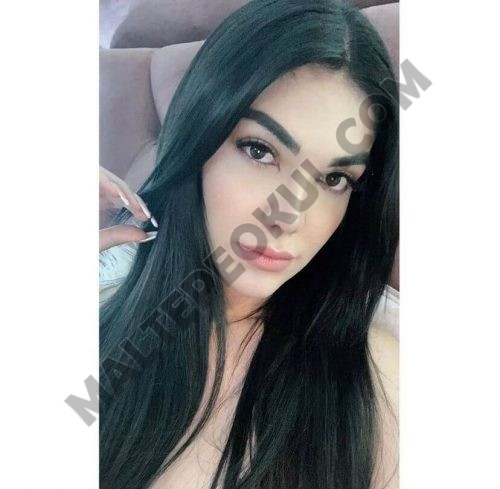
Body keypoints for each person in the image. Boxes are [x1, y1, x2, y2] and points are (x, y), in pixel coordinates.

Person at [99, 1, 399, 488]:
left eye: (334, 179)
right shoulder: (99, 296)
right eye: (260, 151)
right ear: (198, 141)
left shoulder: (378, 383)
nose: (288, 217)